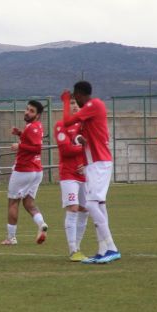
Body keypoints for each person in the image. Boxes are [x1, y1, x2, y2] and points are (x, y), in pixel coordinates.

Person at [60, 81, 121, 264]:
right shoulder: (90, 112)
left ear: (78, 95)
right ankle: (103, 250)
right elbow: (75, 132)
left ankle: (112, 247)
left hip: (99, 163)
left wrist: (64, 101)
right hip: (94, 164)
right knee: (100, 205)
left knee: (91, 205)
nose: (73, 102)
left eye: (73, 98)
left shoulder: (94, 105)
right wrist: (79, 137)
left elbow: (67, 121)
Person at [2, 100, 48, 246]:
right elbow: (32, 142)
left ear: (38, 115)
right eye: (27, 109)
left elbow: (36, 148)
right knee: (28, 203)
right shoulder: (36, 126)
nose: (27, 112)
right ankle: (41, 224)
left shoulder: (33, 127)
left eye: (31, 111)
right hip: (36, 171)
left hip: (24, 170)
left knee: (13, 202)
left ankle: (11, 238)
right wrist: (20, 133)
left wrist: (19, 145)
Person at [54, 96, 89, 261]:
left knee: (85, 210)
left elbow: (95, 146)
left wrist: (87, 163)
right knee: (73, 208)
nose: (75, 106)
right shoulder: (61, 125)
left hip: (85, 174)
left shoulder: (85, 125)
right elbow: (66, 150)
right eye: (72, 103)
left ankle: (78, 247)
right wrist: (83, 147)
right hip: (68, 174)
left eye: (77, 103)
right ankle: (72, 249)